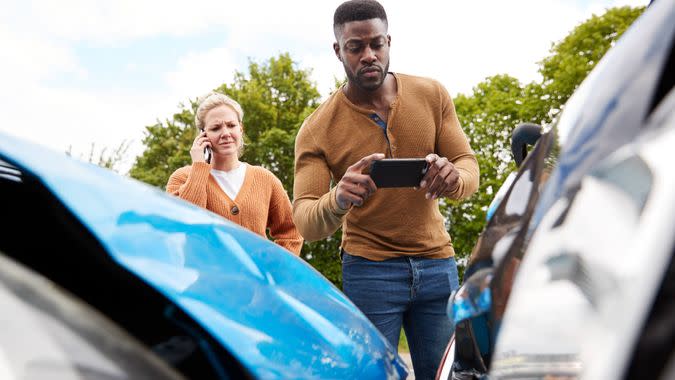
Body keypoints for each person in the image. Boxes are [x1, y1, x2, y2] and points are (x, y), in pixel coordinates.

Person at [292, 1, 479, 378]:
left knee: (444, 375)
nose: (369, 55)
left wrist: (453, 178)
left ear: (389, 41)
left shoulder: (432, 95)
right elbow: (306, 221)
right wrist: (339, 198)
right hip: (369, 271)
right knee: (372, 375)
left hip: (437, 264)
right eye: (355, 47)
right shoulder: (316, 129)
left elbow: (468, 166)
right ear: (338, 51)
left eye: (377, 44)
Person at [167, 92, 303, 255]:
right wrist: (199, 167)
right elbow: (186, 223)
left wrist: (275, 269)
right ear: (203, 135)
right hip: (206, 278)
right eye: (216, 128)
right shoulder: (182, 178)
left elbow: (291, 233)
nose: (225, 133)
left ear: (241, 128)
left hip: (255, 280)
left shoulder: (265, 179)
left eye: (231, 125)